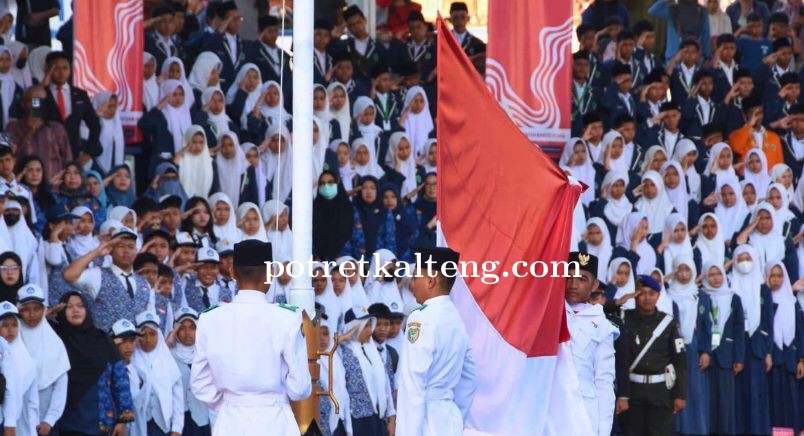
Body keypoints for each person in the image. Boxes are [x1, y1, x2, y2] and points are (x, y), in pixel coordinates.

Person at [190, 240, 311, 435]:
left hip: (230, 423)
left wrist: (233, 402)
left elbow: (200, 383)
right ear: (271, 273)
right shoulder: (287, 318)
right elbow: (300, 388)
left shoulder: (210, 318)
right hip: (275, 422)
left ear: (232, 272)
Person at [395, 246, 477, 435]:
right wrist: (456, 415)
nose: (412, 284)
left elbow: (413, 382)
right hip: (449, 420)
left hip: (424, 421)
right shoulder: (455, 318)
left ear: (431, 281)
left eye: (416, 277)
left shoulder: (420, 318)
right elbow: (469, 378)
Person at [52, 291, 134, 435]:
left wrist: (123, 420)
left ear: (87, 310)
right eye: (69, 307)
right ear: (61, 311)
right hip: (67, 422)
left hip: (102, 422)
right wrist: (47, 315)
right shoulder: (55, 338)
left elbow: (120, 380)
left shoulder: (102, 340)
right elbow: (32, 326)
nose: (75, 310)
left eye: (80, 305)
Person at [614, 275, 687, 436]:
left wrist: (679, 395)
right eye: (642, 293)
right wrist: (618, 302)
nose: (646, 298)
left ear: (658, 296)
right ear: (635, 295)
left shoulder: (668, 323)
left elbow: (679, 361)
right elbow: (600, 310)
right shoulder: (624, 319)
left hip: (661, 392)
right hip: (632, 391)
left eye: (651, 293)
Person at [564, 251, 618, 436]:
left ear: (594, 284)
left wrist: (603, 429)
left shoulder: (602, 326)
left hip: (583, 412)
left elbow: (604, 380)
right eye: (568, 277)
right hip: (549, 406)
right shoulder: (549, 313)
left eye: (582, 279)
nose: (573, 284)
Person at [61, 227, 152, 331]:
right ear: (111, 249)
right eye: (120, 246)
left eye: (131, 247)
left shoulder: (145, 284)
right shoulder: (98, 275)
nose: (126, 251)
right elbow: (68, 275)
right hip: (105, 344)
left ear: (136, 251)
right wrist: (96, 252)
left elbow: (148, 321)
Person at [17, 283, 70, 436]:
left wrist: (49, 420)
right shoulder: (11, 341)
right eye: (26, 309)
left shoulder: (55, 344)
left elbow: (60, 386)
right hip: (16, 418)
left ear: (44, 309)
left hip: (44, 422)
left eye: (37, 309)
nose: (31, 314)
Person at [132, 310, 185, 436]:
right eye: (143, 334)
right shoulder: (131, 359)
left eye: (152, 334)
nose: (148, 339)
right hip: (138, 425)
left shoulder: (166, 360)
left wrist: (177, 428)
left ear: (159, 335)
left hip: (162, 426)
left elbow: (177, 397)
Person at [42, 51, 102, 161]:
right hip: (47, 154)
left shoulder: (80, 95)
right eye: (56, 68)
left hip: (73, 154)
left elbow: (95, 125)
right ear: (47, 69)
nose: (61, 72)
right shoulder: (40, 93)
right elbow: (33, 111)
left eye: (65, 68)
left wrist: (89, 153)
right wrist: (40, 88)